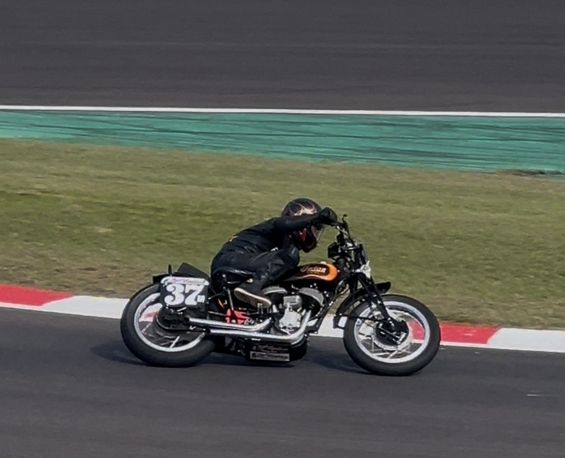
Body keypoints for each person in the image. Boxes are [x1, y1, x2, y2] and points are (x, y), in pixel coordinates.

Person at [210, 198, 338, 308]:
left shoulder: (286, 245)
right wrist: (315, 218)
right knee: (290, 256)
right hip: (231, 260)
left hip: (237, 263)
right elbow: (285, 223)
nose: (315, 234)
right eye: (315, 229)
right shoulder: (275, 226)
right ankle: (251, 286)